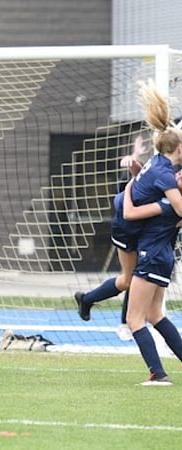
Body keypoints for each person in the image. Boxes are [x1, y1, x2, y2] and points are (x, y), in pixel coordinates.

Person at [121, 80, 182, 385]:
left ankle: (158, 374)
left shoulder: (166, 189)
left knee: (134, 319)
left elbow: (131, 212)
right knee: (155, 314)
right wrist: (134, 174)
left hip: (153, 252)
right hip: (161, 253)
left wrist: (128, 191)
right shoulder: (161, 170)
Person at [74, 135, 149, 340]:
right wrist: (133, 159)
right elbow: (141, 176)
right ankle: (100, 307)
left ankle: (128, 321)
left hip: (147, 225)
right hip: (128, 224)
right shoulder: (162, 165)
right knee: (130, 278)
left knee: (142, 276)